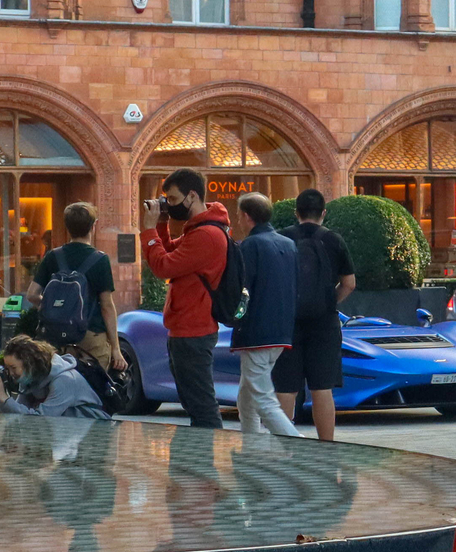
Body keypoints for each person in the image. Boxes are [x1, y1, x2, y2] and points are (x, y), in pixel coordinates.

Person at [140, 167, 230, 430]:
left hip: (194, 329)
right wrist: (160, 223)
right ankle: (197, 463)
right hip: (186, 328)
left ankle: (203, 464)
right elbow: (169, 252)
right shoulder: (198, 230)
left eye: (175, 199)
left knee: (201, 405)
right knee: (193, 402)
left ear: (192, 196)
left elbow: (164, 267)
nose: (171, 204)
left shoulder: (207, 235)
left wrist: (147, 232)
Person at [277, 188, 358, 441]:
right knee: (322, 388)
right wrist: (328, 300)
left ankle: (283, 443)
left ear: (296, 213)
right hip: (324, 324)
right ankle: (326, 445)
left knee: (286, 388)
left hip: (287, 322)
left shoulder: (282, 239)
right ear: (323, 213)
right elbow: (349, 283)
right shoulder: (334, 240)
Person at [229, 192, 301, 437]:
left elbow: (243, 291)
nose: (238, 220)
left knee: (263, 399)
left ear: (247, 216)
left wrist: (235, 319)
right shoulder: (288, 244)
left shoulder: (250, 245)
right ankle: (251, 446)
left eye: (239, 215)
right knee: (247, 396)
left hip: (257, 333)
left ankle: (298, 445)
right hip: (281, 331)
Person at [28, 201, 121, 373]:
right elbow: (107, 305)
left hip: (57, 337)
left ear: (67, 227)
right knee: (94, 391)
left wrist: (54, 310)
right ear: (93, 226)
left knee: (61, 386)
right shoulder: (100, 259)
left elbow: (32, 294)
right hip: (91, 335)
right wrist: (115, 348)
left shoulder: (53, 256)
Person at [0, 334, 111, 419]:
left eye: (13, 368)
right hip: (68, 433)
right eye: (7, 368)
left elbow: (41, 418)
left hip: (91, 430)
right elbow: (20, 414)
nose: (10, 373)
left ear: (30, 363)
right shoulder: (30, 377)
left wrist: (5, 398)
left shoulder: (64, 380)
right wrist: (1, 395)